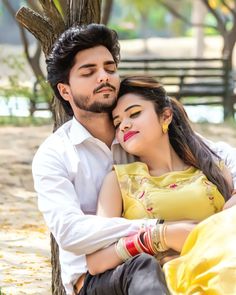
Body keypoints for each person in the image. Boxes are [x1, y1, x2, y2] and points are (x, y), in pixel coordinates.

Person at [32, 24, 236, 295]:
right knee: (143, 265)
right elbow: (70, 232)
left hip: (177, 262)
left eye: (110, 68)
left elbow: (217, 155)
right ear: (66, 91)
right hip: (101, 278)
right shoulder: (55, 154)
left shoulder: (145, 133)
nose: (103, 77)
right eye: (89, 72)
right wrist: (160, 230)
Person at [85, 75, 234, 275]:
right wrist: (157, 237)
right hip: (160, 283)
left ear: (166, 116)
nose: (124, 125)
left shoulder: (212, 169)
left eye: (134, 113)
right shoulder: (119, 181)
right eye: (117, 122)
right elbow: (96, 261)